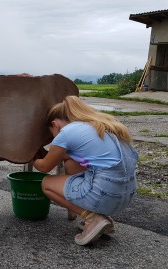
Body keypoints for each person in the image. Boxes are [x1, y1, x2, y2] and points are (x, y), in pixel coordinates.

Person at [33, 95, 138, 246]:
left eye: (52, 135)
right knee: (71, 163)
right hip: (126, 196)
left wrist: (31, 156)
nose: (54, 138)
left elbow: (44, 167)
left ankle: (92, 218)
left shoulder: (67, 132)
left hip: (105, 195)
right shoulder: (102, 125)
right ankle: (100, 216)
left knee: (46, 183)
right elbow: (72, 157)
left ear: (55, 124)